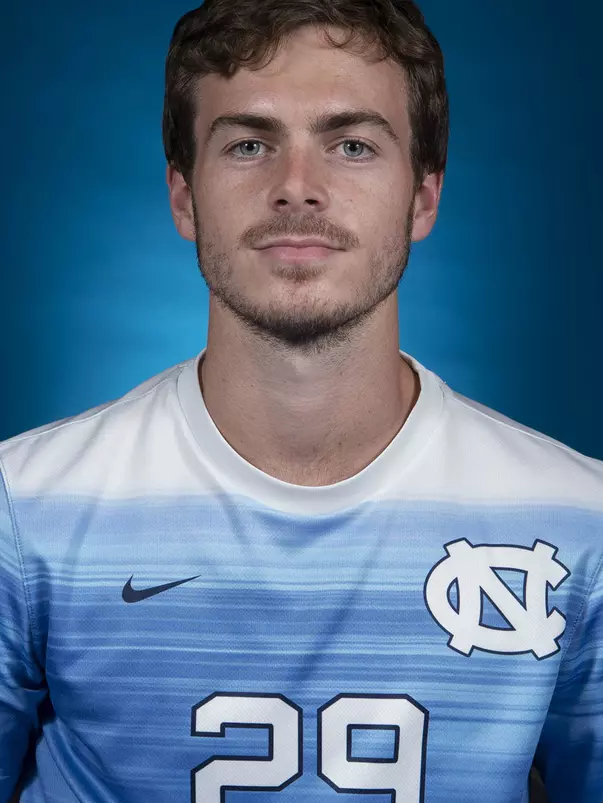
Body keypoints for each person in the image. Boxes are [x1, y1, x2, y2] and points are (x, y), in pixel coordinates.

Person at [0, 0, 600, 800]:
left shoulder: (577, 520)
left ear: (422, 199)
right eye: (249, 143)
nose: (297, 188)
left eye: (351, 145)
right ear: (183, 197)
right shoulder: (23, 507)